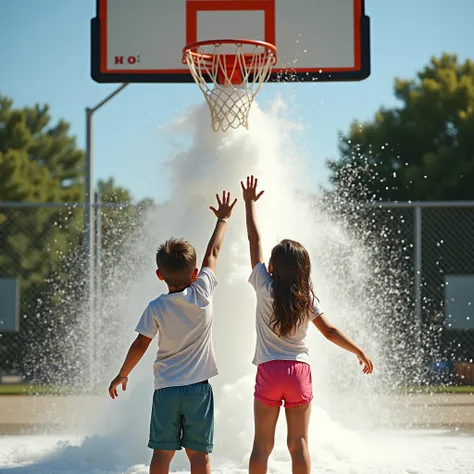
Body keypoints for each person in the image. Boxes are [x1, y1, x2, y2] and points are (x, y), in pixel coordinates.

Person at [241, 175, 374, 474]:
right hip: (299, 371)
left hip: (269, 369)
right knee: (299, 443)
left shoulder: (264, 285)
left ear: (272, 267)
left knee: (262, 444)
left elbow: (254, 241)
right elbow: (329, 331)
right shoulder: (306, 298)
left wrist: (249, 203)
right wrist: (358, 350)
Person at [108, 191, 237, 474]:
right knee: (199, 456)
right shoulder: (202, 291)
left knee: (161, 454)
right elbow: (212, 253)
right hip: (198, 390)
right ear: (194, 274)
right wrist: (223, 219)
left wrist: (123, 373)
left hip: (166, 389)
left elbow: (140, 344)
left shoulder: (156, 307)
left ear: (159, 274)